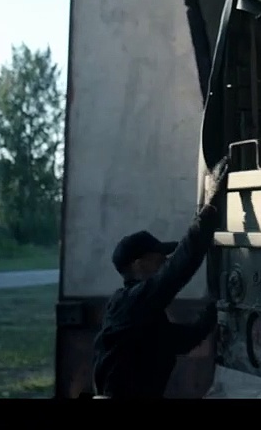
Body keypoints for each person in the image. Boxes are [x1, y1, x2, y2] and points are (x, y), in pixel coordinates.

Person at [91, 159, 229, 399]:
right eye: (159, 256)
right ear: (139, 264)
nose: (165, 260)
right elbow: (177, 269)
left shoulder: (142, 314)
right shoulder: (130, 303)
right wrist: (211, 208)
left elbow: (182, 341)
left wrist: (215, 308)